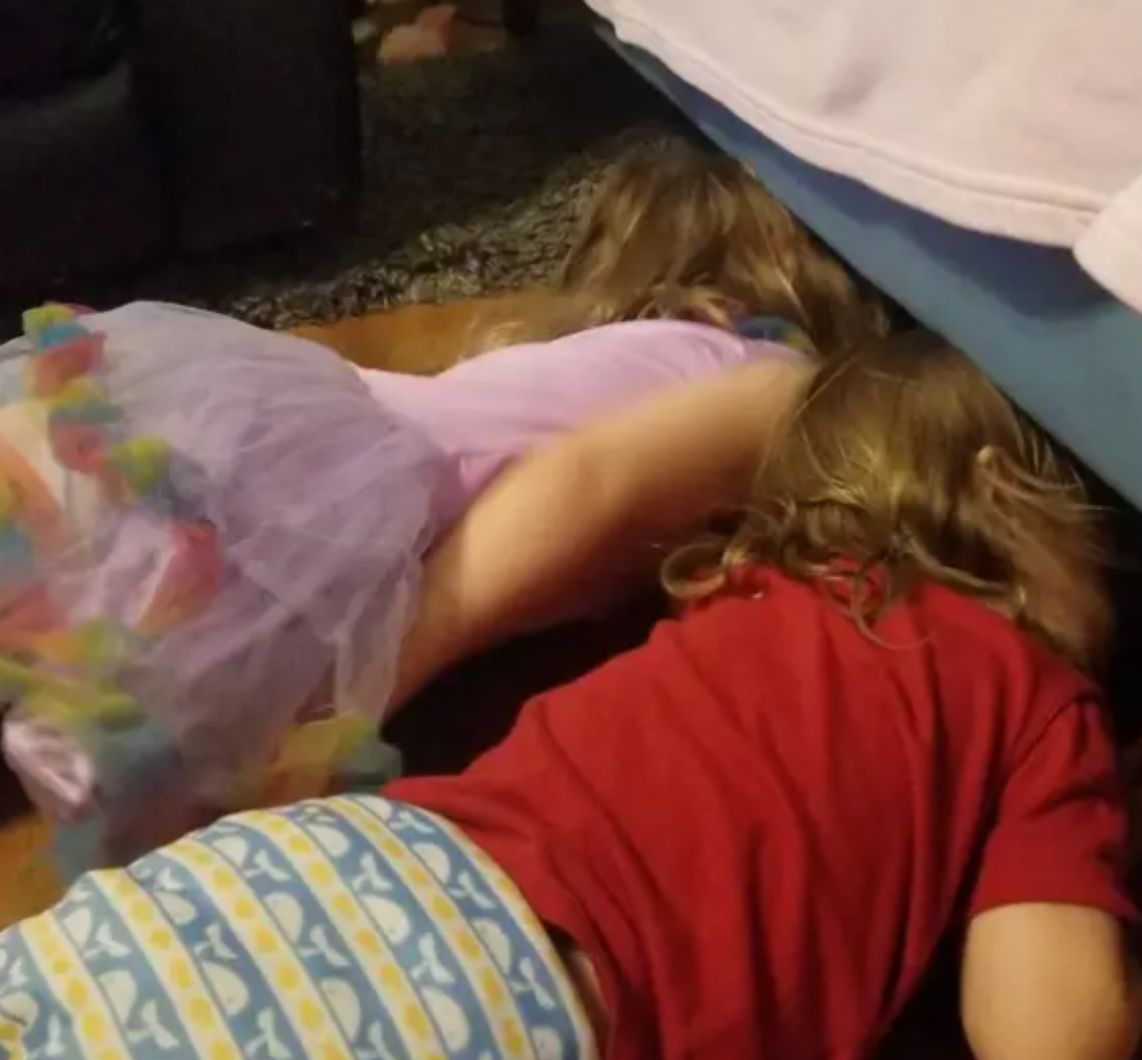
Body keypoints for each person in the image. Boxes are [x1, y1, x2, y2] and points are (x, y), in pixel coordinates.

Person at [0, 333, 1142, 1060]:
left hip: (286, 876)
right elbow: (1049, 1031)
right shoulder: (1039, 700)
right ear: (1007, 496)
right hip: (482, 992)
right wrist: (1080, 859)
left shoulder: (748, 592)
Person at [0, 138, 886, 872]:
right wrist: (359, 701)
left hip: (302, 476)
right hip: (323, 500)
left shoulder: (665, 361)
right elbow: (582, 485)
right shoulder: (772, 383)